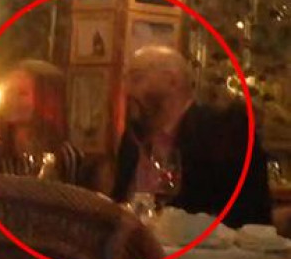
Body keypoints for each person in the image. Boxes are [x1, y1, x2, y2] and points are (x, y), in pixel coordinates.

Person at [113, 45, 272, 228]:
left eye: (136, 78)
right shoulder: (132, 140)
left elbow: (244, 216)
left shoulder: (223, 131)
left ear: (172, 82)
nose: (126, 90)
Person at [0, 59, 84, 185]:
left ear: (47, 99)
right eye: (9, 91)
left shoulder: (67, 157)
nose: (12, 99)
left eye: (22, 93)